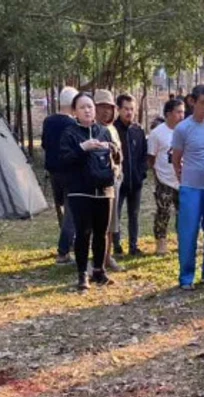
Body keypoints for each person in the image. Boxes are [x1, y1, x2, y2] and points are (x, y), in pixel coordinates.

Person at [58, 92, 121, 291]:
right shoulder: (69, 133)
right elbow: (64, 160)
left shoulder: (103, 131)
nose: (88, 110)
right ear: (74, 111)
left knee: (102, 233)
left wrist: (112, 148)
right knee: (84, 233)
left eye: (90, 107)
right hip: (80, 190)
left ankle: (99, 271)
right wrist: (82, 148)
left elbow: (117, 159)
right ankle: (82, 274)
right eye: (83, 107)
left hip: (104, 189)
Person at [171, 84, 204, 290]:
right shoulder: (183, 128)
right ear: (193, 102)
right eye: (202, 103)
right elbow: (176, 158)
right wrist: (181, 176)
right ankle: (186, 277)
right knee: (188, 231)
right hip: (191, 187)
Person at [42, 87, 79, 265]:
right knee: (71, 212)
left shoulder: (48, 121)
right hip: (70, 172)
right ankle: (63, 251)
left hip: (53, 171)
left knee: (62, 209)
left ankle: (68, 241)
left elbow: (44, 144)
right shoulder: (73, 125)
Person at [147, 98, 184, 256]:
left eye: (183, 112)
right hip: (164, 179)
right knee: (163, 212)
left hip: (183, 179)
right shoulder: (157, 133)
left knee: (184, 212)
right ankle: (161, 242)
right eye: (178, 112)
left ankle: (184, 240)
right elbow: (151, 157)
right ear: (168, 114)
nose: (182, 115)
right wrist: (157, 175)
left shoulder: (185, 131)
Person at [114, 94, 148, 256]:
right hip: (118, 182)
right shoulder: (112, 130)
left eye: (132, 109)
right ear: (118, 110)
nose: (129, 112)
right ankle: (116, 246)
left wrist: (141, 174)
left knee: (134, 215)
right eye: (126, 109)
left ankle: (133, 246)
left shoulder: (138, 130)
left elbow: (143, 155)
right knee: (116, 215)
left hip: (136, 182)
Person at [95, 89, 124, 272]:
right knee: (97, 224)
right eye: (102, 107)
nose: (106, 111)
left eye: (109, 107)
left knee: (112, 223)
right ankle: (96, 260)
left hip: (114, 180)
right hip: (97, 183)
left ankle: (107, 256)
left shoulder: (112, 129)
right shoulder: (91, 129)